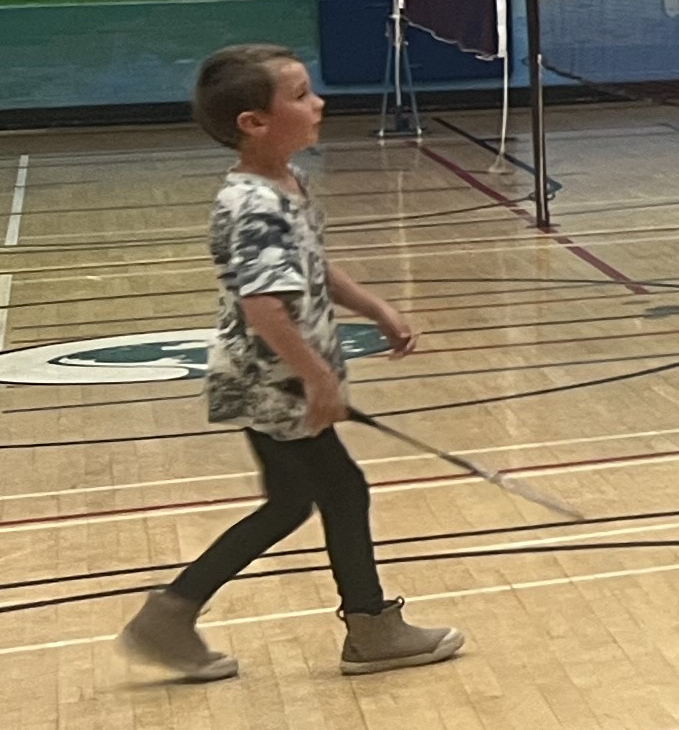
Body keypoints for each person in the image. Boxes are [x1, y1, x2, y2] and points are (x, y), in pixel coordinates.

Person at [117, 44, 461, 683]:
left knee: (293, 501)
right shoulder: (254, 205)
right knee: (337, 490)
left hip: (276, 376)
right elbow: (263, 306)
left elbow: (311, 266)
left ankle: (173, 615)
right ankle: (369, 627)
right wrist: (316, 377)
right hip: (274, 380)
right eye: (300, 95)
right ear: (254, 122)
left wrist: (374, 307)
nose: (318, 103)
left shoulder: (286, 185)